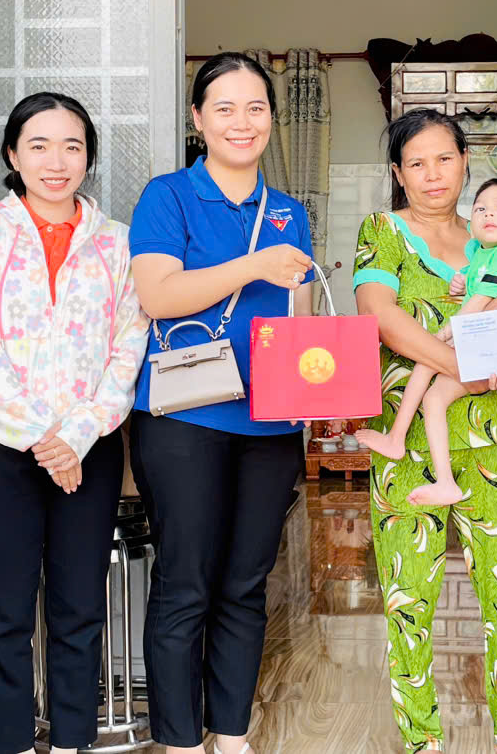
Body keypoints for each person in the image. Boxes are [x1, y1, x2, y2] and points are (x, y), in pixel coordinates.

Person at [0, 92, 148, 754]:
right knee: (1, 613)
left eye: (72, 146)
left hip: (89, 449)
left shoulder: (117, 245)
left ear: (88, 156)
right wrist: (40, 436)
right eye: (39, 145)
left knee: (79, 606)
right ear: (11, 154)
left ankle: (71, 742)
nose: (57, 162)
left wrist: (78, 435)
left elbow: (128, 346)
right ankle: (5, 743)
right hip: (1, 449)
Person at [353, 108, 497, 754]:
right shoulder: (382, 232)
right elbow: (381, 316)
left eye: (444, 159)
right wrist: (463, 363)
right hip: (406, 437)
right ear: (397, 173)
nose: (432, 174)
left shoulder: (493, 237)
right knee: (407, 599)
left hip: (493, 438)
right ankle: (422, 741)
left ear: (465, 163)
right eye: (415, 163)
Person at [127, 52, 314, 754]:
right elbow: (158, 296)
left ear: (272, 119)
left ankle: (231, 735)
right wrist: (255, 264)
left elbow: (291, 322)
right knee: (185, 582)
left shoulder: (288, 210)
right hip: (185, 418)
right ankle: (180, 741)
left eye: (256, 108)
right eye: (226, 108)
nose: (243, 122)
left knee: (244, 582)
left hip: (269, 422)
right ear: (199, 119)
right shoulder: (167, 195)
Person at [355, 175, 497, 506]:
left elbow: (481, 300)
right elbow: (478, 286)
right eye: (480, 209)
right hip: (489, 341)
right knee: (432, 395)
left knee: (427, 359)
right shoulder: (486, 252)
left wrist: (446, 332)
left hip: (496, 346)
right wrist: (463, 281)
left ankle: (399, 440)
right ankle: (438, 475)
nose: (489, 214)